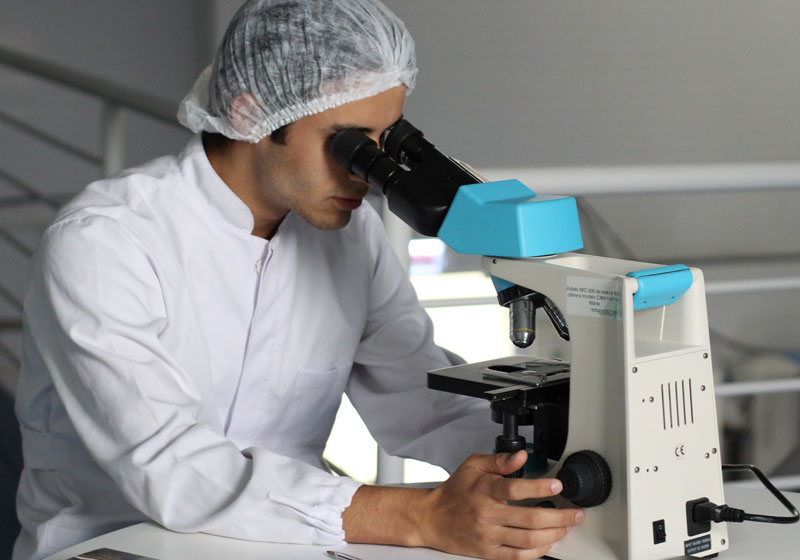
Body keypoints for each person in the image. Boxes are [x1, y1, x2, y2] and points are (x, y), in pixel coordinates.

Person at [13, 1, 583, 559]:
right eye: (349, 143)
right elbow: (169, 467)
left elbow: (422, 399)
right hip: (116, 542)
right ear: (249, 115)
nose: (367, 175)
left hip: (290, 540)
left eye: (384, 143)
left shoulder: (348, 238)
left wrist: (540, 469)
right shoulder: (107, 240)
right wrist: (422, 517)